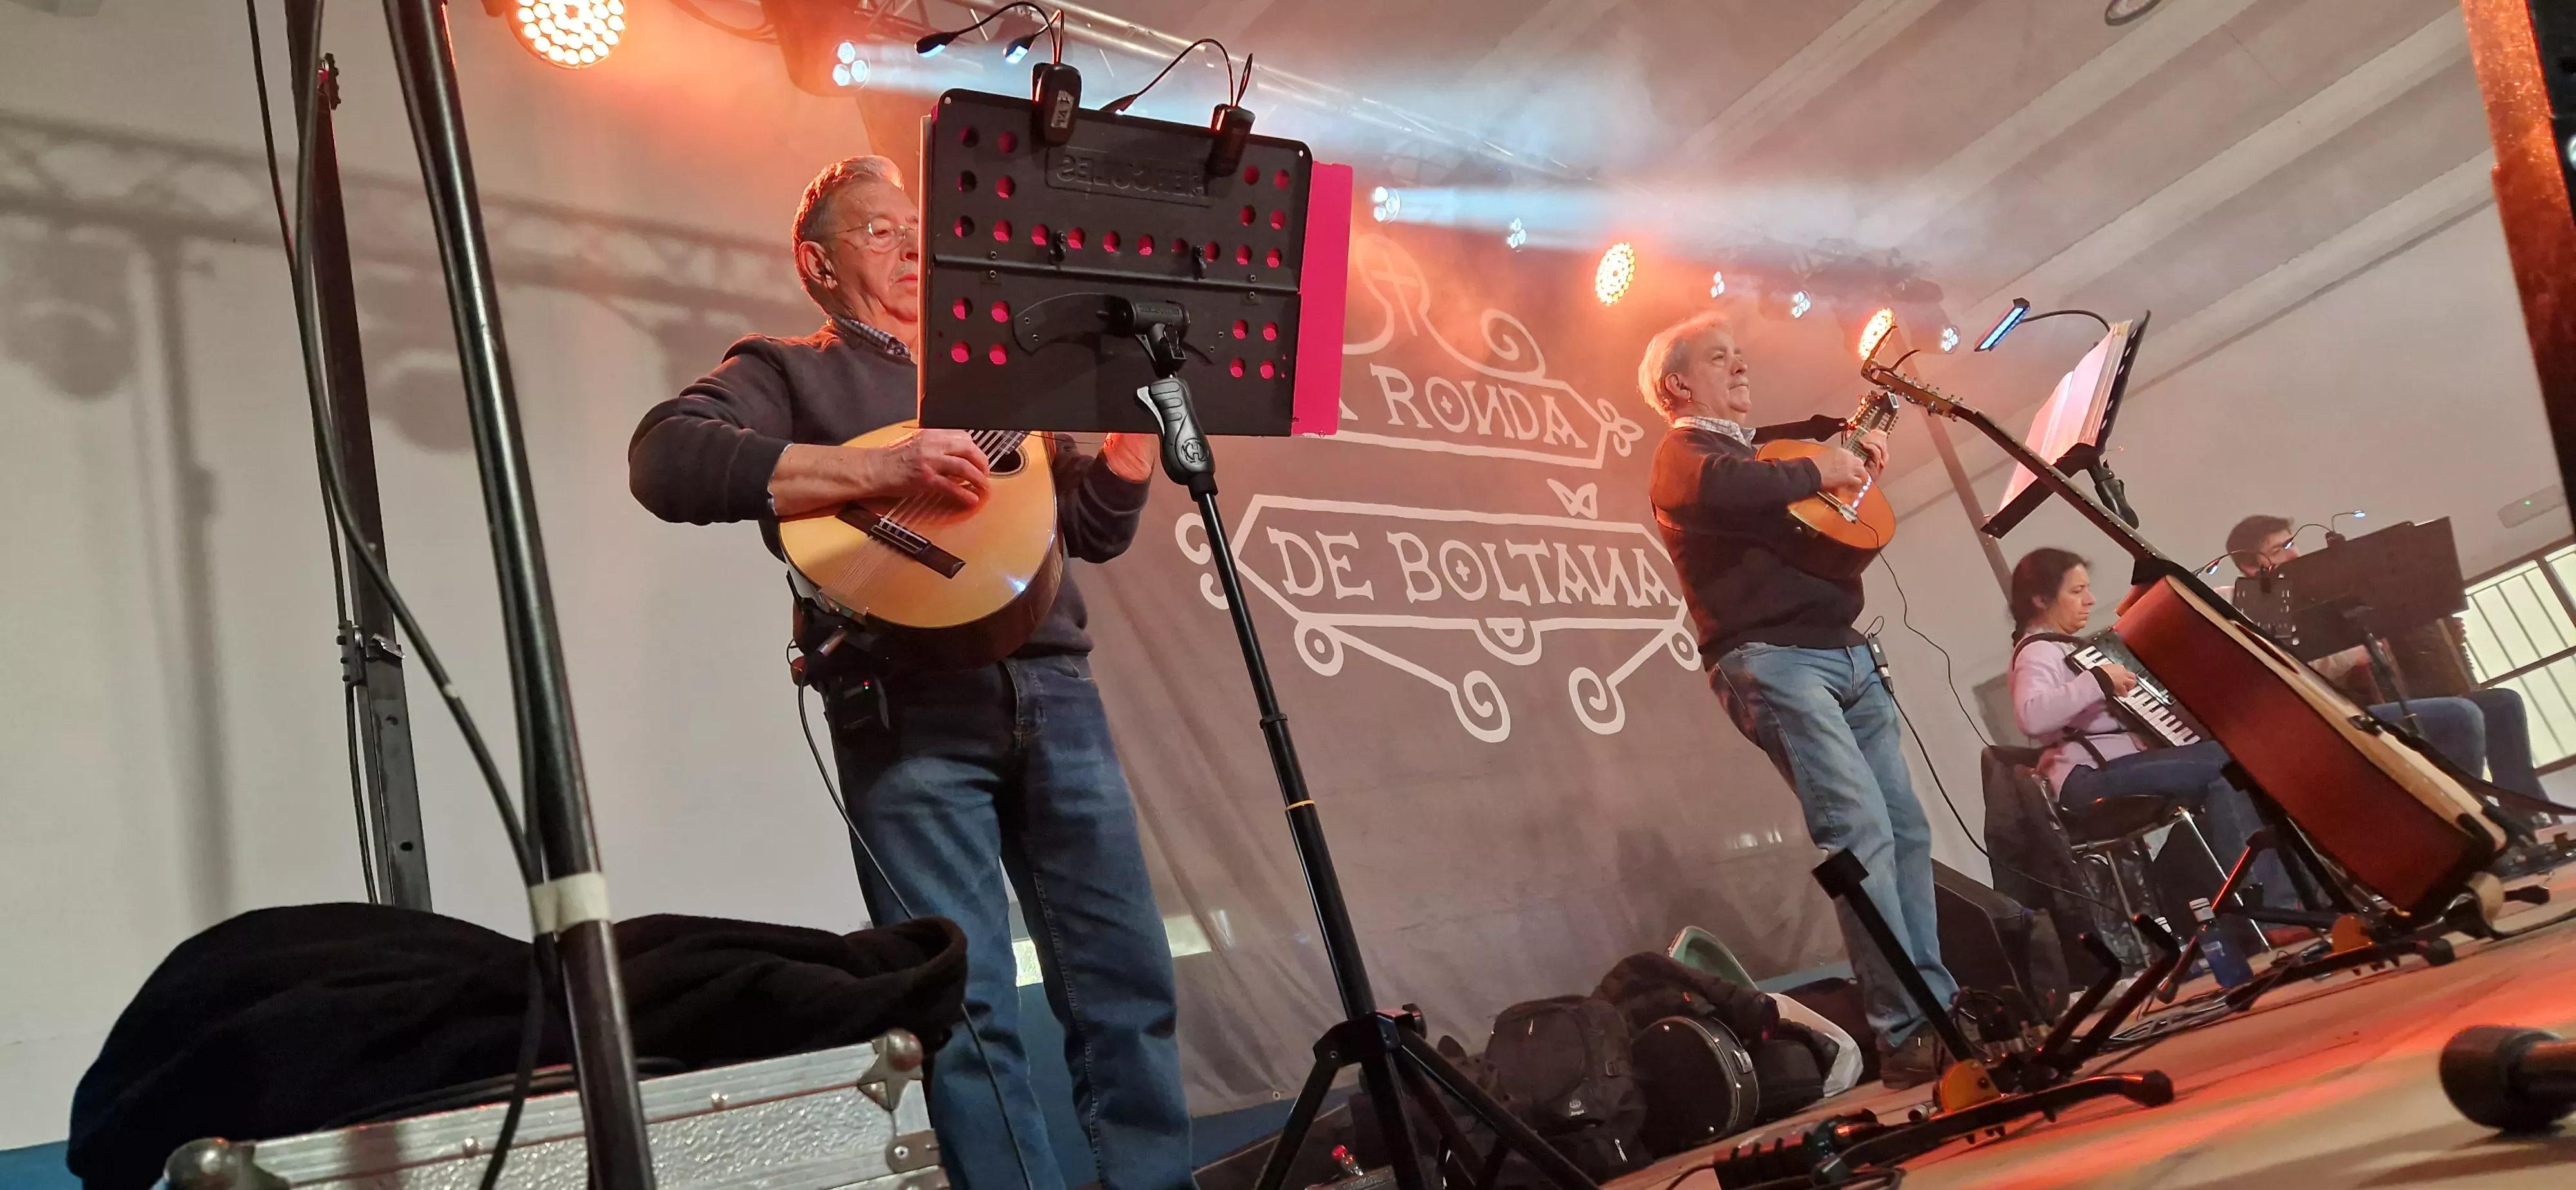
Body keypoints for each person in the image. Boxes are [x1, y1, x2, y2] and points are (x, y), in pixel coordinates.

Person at [627, 156, 1189, 1190]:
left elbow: (1088, 535)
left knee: (1127, 983)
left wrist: (1127, 451)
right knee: (967, 1008)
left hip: (1056, 691)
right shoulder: (788, 367)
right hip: (905, 705)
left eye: (918, 233)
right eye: (879, 233)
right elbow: (667, 459)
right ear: (820, 263)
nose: (911, 252)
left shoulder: (997, 380)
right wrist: (881, 466)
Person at [1640, 310, 1960, 1089]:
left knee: (1906, 832)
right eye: (1720, 358)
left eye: (1741, 355)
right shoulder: (1685, 455)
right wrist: (1832, 466)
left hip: (1844, 654)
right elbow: (1745, 483)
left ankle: (1939, 1012)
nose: (1740, 367)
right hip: (1775, 664)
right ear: (1679, 382)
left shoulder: (1765, 454)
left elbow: (1818, 513)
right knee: (1858, 834)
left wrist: (1851, 466)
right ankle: (1905, 1031)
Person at [2007, 549, 2293, 907]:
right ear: (2041, 600)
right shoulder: (2036, 651)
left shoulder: (2065, 647)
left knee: (2237, 764)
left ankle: (2271, 903)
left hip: (2114, 766)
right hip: (2087, 778)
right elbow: (2031, 717)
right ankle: (2269, 906)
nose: (2090, 600)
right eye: (2076, 591)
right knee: (2228, 765)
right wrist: (2098, 680)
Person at [2223, 515, 2544, 804]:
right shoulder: (2260, 598)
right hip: (2343, 716)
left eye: (2292, 544)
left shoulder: (2323, 587)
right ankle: (2469, 814)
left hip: (2398, 699)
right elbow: (2293, 665)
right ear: (2252, 569)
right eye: (2280, 550)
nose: (2294, 555)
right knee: (2461, 713)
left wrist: (2441, 635)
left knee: (2503, 702)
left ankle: (2526, 814)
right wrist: (2360, 649)